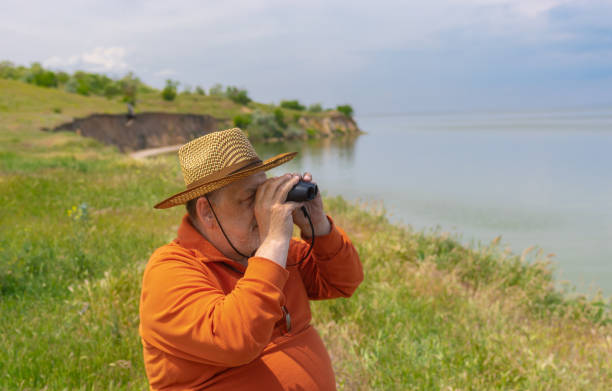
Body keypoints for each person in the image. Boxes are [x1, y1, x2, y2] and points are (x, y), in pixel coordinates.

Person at [139, 127, 364, 390]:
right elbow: (236, 341)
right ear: (207, 212)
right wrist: (274, 243)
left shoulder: (271, 253)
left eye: (264, 194)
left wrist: (319, 225)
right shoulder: (169, 271)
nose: (263, 210)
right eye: (250, 199)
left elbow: (343, 282)